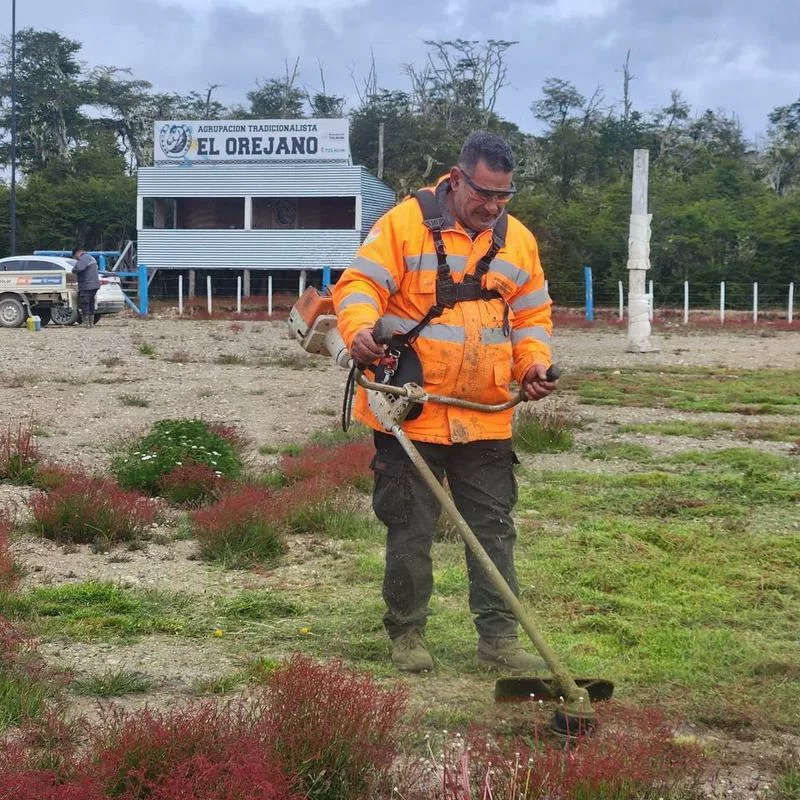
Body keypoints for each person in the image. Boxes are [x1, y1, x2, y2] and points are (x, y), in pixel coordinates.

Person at [332, 131, 556, 674]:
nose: (492, 206)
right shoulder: (403, 224)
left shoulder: (518, 241)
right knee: (410, 529)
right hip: (411, 411)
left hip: (486, 415)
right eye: (483, 193)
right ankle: (407, 635)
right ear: (456, 179)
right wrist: (360, 329)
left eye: (503, 196)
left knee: (494, 530)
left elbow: (531, 316)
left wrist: (532, 365)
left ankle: (499, 642)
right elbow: (359, 283)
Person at [71, 247, 100, 328]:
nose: (76, 259)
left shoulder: (83, 258)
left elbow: (79, 268)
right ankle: (91, 323)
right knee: (91, 303)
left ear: (77, 252)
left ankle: (86, 323)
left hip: (87, 285)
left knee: (85, 303)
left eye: (75, 257)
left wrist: (73, 270)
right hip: (94, 284)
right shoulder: (91, 257)